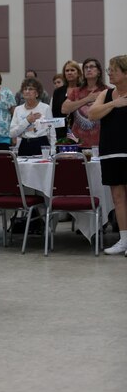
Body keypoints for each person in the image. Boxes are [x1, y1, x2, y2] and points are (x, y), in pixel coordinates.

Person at [88, 55, 127, 255]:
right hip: (111, 152)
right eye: (109, 70)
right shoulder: (106, 93)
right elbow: (92, 114)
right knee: (117, 197)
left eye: (114, 70)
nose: (109, 73)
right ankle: (124, 239)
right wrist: (114, 104)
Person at [61, 58, 107, 148]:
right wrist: (87, 99)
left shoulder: (106, 90)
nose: (88, 69)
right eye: (86, 67)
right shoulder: (76, 91)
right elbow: (64, 109)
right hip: (77, 141)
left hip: (100, 140)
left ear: (99, 72)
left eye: (92, 67)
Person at [10, 77, 53, 156]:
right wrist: (27, 121)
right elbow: (12, 133)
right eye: (25, 89)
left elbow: (52, 132)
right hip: (24, 144)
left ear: (37, 93)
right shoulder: (18, 109)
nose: (27, 91)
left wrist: (53, 151)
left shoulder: (45, 108)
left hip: (42, 143)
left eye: (30, 89)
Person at [51, 60, 82, 141]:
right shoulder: (58, 91)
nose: (69, 73)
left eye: (72, 70)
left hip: (80, 130)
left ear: (78, 73)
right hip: (61, 132)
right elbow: (55, 114)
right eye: (67, 71)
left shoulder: (83, 89)